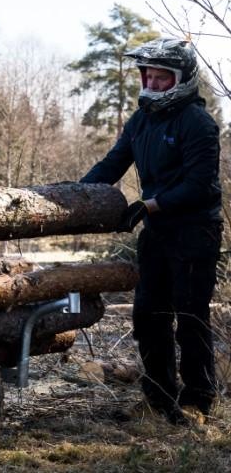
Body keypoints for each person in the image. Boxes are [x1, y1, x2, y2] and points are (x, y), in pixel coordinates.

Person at [80, 37, 222, 425]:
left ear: (182, 78)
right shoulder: (141, 120)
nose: (154, 83)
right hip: (158, 231)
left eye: (163, 77)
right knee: (148, 315)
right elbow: (112, 164)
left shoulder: (198, 123)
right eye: (149, 76)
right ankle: (159, 399)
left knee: (190, 316)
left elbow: (198, 185)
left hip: (196, 230)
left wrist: (148, 205)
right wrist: (76, 195)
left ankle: (199, 401)